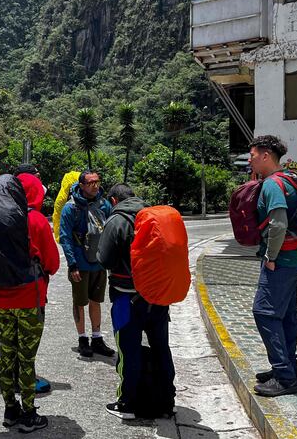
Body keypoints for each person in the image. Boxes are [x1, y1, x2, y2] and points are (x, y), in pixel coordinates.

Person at [97, 183, 176, 419]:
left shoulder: (116, 220)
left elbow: (105, 260)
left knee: (127, 349)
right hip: (158, 295)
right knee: (161, 346)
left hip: (126, 297)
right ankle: (167, 401)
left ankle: (127, 404)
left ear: (113, 201)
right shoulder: (154, 216)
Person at [0, 172, 60, 433]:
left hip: (0, 299)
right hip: (29, 299)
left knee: (6, 355)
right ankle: (29, 414)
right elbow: (52, 263)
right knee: (26, 358)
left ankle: (10, 410)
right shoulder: (36, 220)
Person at [248, 135, 297, 397]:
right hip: (295, 257)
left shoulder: (272, 185)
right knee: (286, 314)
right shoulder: (291, 179)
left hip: (281, 259)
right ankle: (289, 367)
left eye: (252, 155)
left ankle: (284, 377)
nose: (250, 160)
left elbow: (279, 223)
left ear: (265, 156)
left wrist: (270, 257)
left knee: (264, 312)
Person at [59, 170, 115, 358]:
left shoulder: (105, 204)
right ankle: (83, 338)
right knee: (79, 302)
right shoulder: (71, 208)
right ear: (81, 185)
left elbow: (110, 232)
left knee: (96, 300)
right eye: (90, 183)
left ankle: (97, 338)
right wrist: (72, 264)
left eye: (97, 182)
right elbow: (65, 237)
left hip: (98, 263)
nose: (95, 185)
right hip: (80, 264)